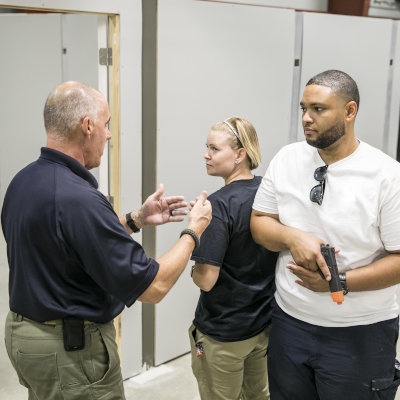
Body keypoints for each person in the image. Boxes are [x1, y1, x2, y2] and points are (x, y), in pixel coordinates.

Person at [1, 81, 212, 400]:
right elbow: (153, 287)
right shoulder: (78, 199)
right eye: (106, 124)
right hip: (71, 352)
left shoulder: (25, 181)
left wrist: (135, 219)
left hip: (26, 337)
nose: (109, 134)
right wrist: (193, 232)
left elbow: (70, 244)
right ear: (87, 126)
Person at [251, 70, 400, 400]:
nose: (306, 118)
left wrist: (339, 282)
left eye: (319, 109)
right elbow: (260, 222)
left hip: (360, 333)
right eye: (303, 108)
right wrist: (294, 237)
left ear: (349, 111)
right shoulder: (287, 158)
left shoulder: (387, 177)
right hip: (290, 322)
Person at [189, 117, 278, 400]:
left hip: (223, 335)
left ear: (240, 155)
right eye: (207, 147)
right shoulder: (268, 191)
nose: (206, 154)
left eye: (214, 148)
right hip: (262, 326)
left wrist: (199, 231)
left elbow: (205, 280)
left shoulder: (218, 205)